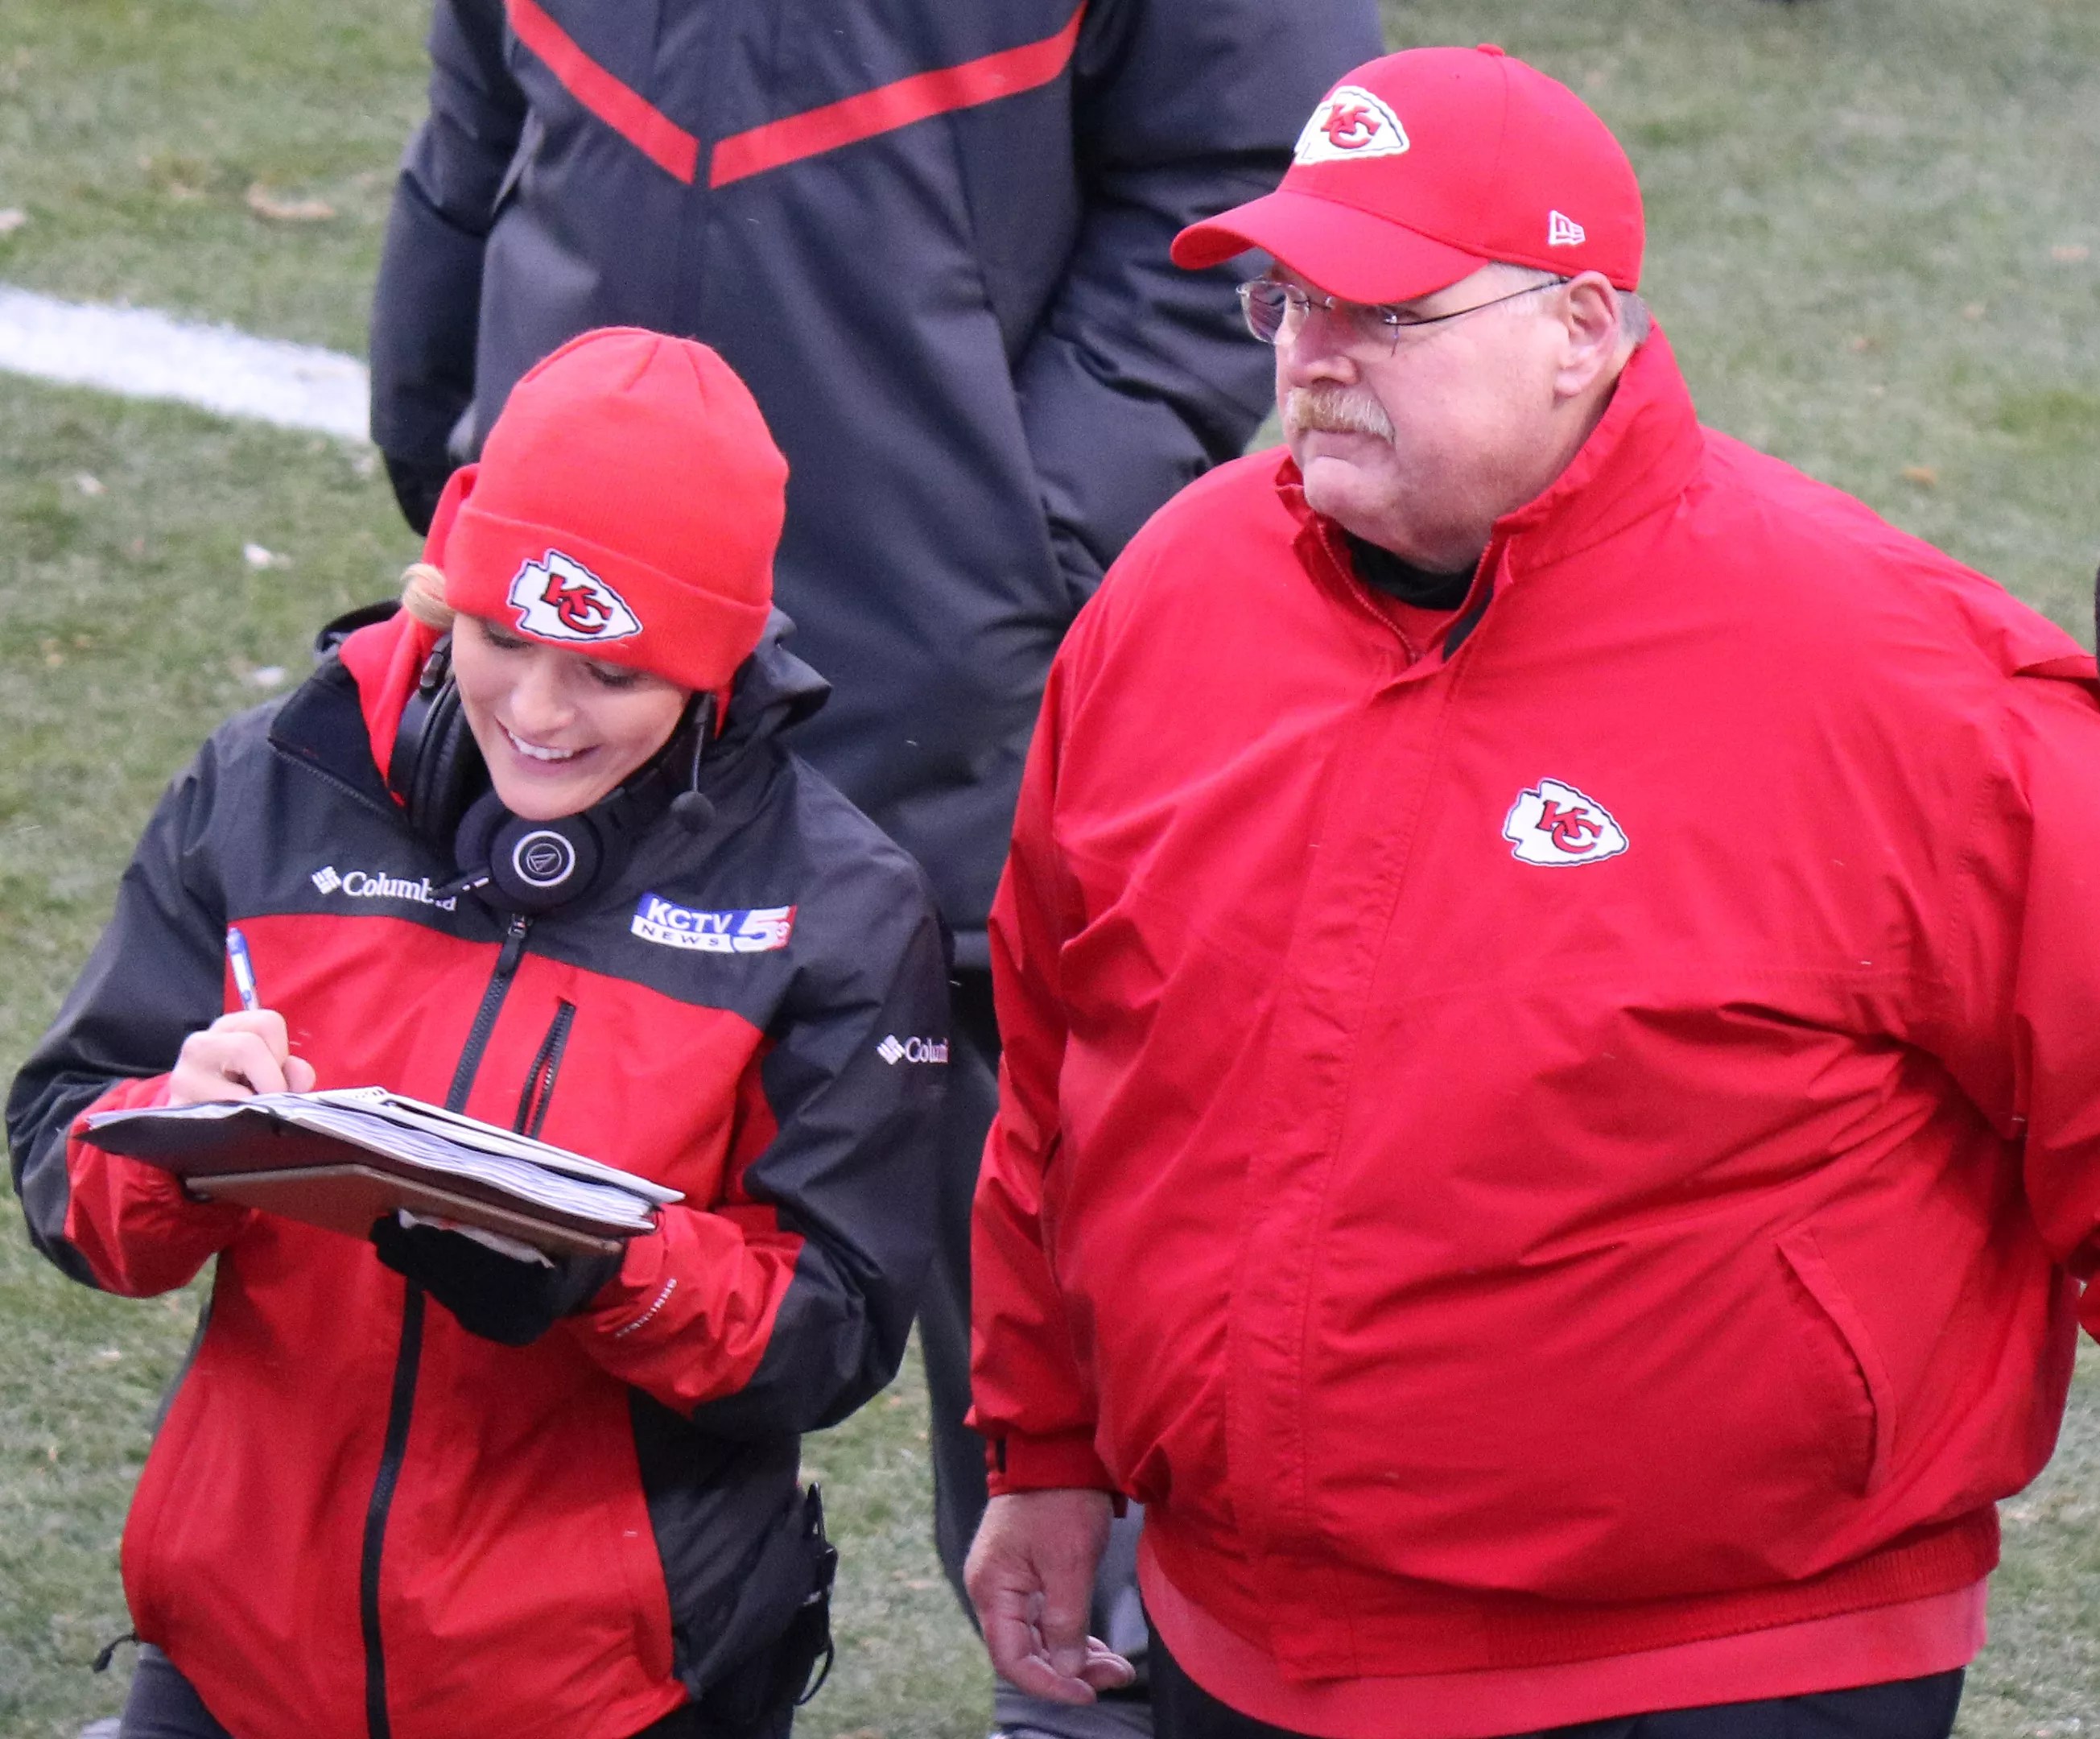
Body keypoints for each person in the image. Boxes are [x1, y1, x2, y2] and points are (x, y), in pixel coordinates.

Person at [963, 43, 2100, 1739]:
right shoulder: (1174, 596)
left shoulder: (1900, 681)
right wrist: (1048, 1445)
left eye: (1384, 312)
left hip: (1723, 1668)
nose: (1313, 358)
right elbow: (1061, 1065)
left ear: (1579, 330)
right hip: (1238, 1645)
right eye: (1289, 301)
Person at [367, 6, 1384, 1731]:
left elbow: (1244, 165)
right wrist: (464, 444)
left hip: (949, 676)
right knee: (514, 1229)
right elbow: (484, 99)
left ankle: (1096, 1697)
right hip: (581, 651)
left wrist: (1019, 537)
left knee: (1055, 1246)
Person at [9, 328, 949, 1739]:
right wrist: (176, 1137)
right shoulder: (268, 785)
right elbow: (63, 1168)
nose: (540, 711)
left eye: (612, 672)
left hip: (607, 1691)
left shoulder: (838, 909)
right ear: (445, 589)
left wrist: (606, 1269)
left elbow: (834, 1336)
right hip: (231, 1660)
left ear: (715, 667)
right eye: (502, 638)